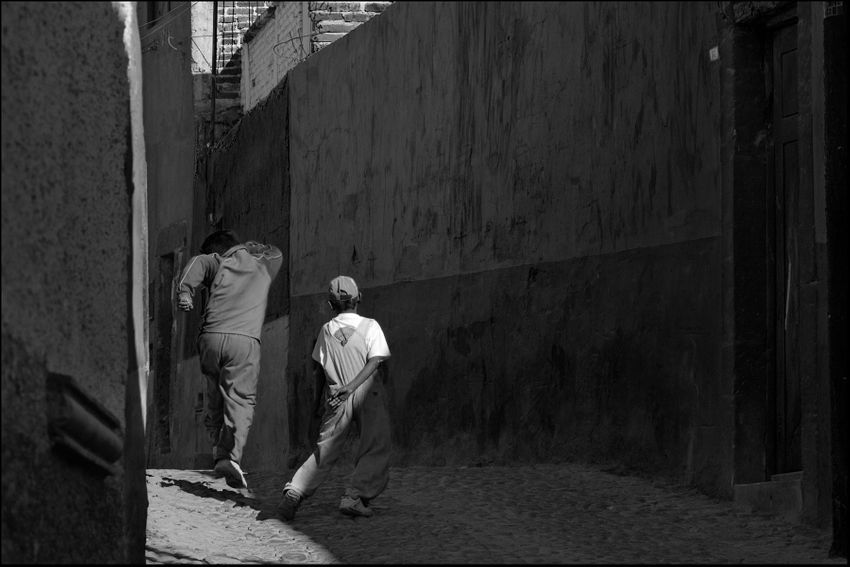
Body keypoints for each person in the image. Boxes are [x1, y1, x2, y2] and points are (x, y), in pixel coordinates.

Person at [278, 275, 392, 520]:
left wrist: (318, 402)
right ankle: (355, 496)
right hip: (366, 391)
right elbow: (376, 360)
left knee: (325, 449)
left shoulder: (326, 330)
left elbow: (319, 369)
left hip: (336, 395)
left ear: (330, 306)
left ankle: (296, 490)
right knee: (376, 444)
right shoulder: (370, 326)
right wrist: (353, 386)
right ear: (358, 298)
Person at [175, 229, 283, 489]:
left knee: (215, 389)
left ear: (217, 250)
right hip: (243, 341)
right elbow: (277, 253)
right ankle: (229, 456)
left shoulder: (217, 261)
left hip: (210, 339)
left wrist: (185, 292)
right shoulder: (263, 264)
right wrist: (254, 246)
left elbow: (198, 262)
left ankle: (215, 443)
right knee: (240, 399)